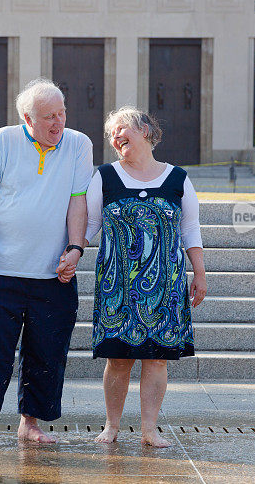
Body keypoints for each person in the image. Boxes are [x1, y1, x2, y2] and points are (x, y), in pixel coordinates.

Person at [0, 78, 93, 446]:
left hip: (53, 273)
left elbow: (78, 201)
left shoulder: (79, 144)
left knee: (47, 352)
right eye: (49, 116)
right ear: (28, 119)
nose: (58, 122)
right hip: (1, 268)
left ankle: (30, 424)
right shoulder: (2, 140)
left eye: (62, 113)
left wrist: (76, 248)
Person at [60, 106, 206, 447]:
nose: (115, 137)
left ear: (144, 130)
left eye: (121, 129)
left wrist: (199, 273)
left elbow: (190, 229)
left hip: (166, 287)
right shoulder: (105, 177)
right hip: (117, 286)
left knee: (157, 358)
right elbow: (90, 225)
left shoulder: (178, 178)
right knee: (119, 357)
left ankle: (149, 429)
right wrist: (72, 251)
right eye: (111, 134)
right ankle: (111, 426)